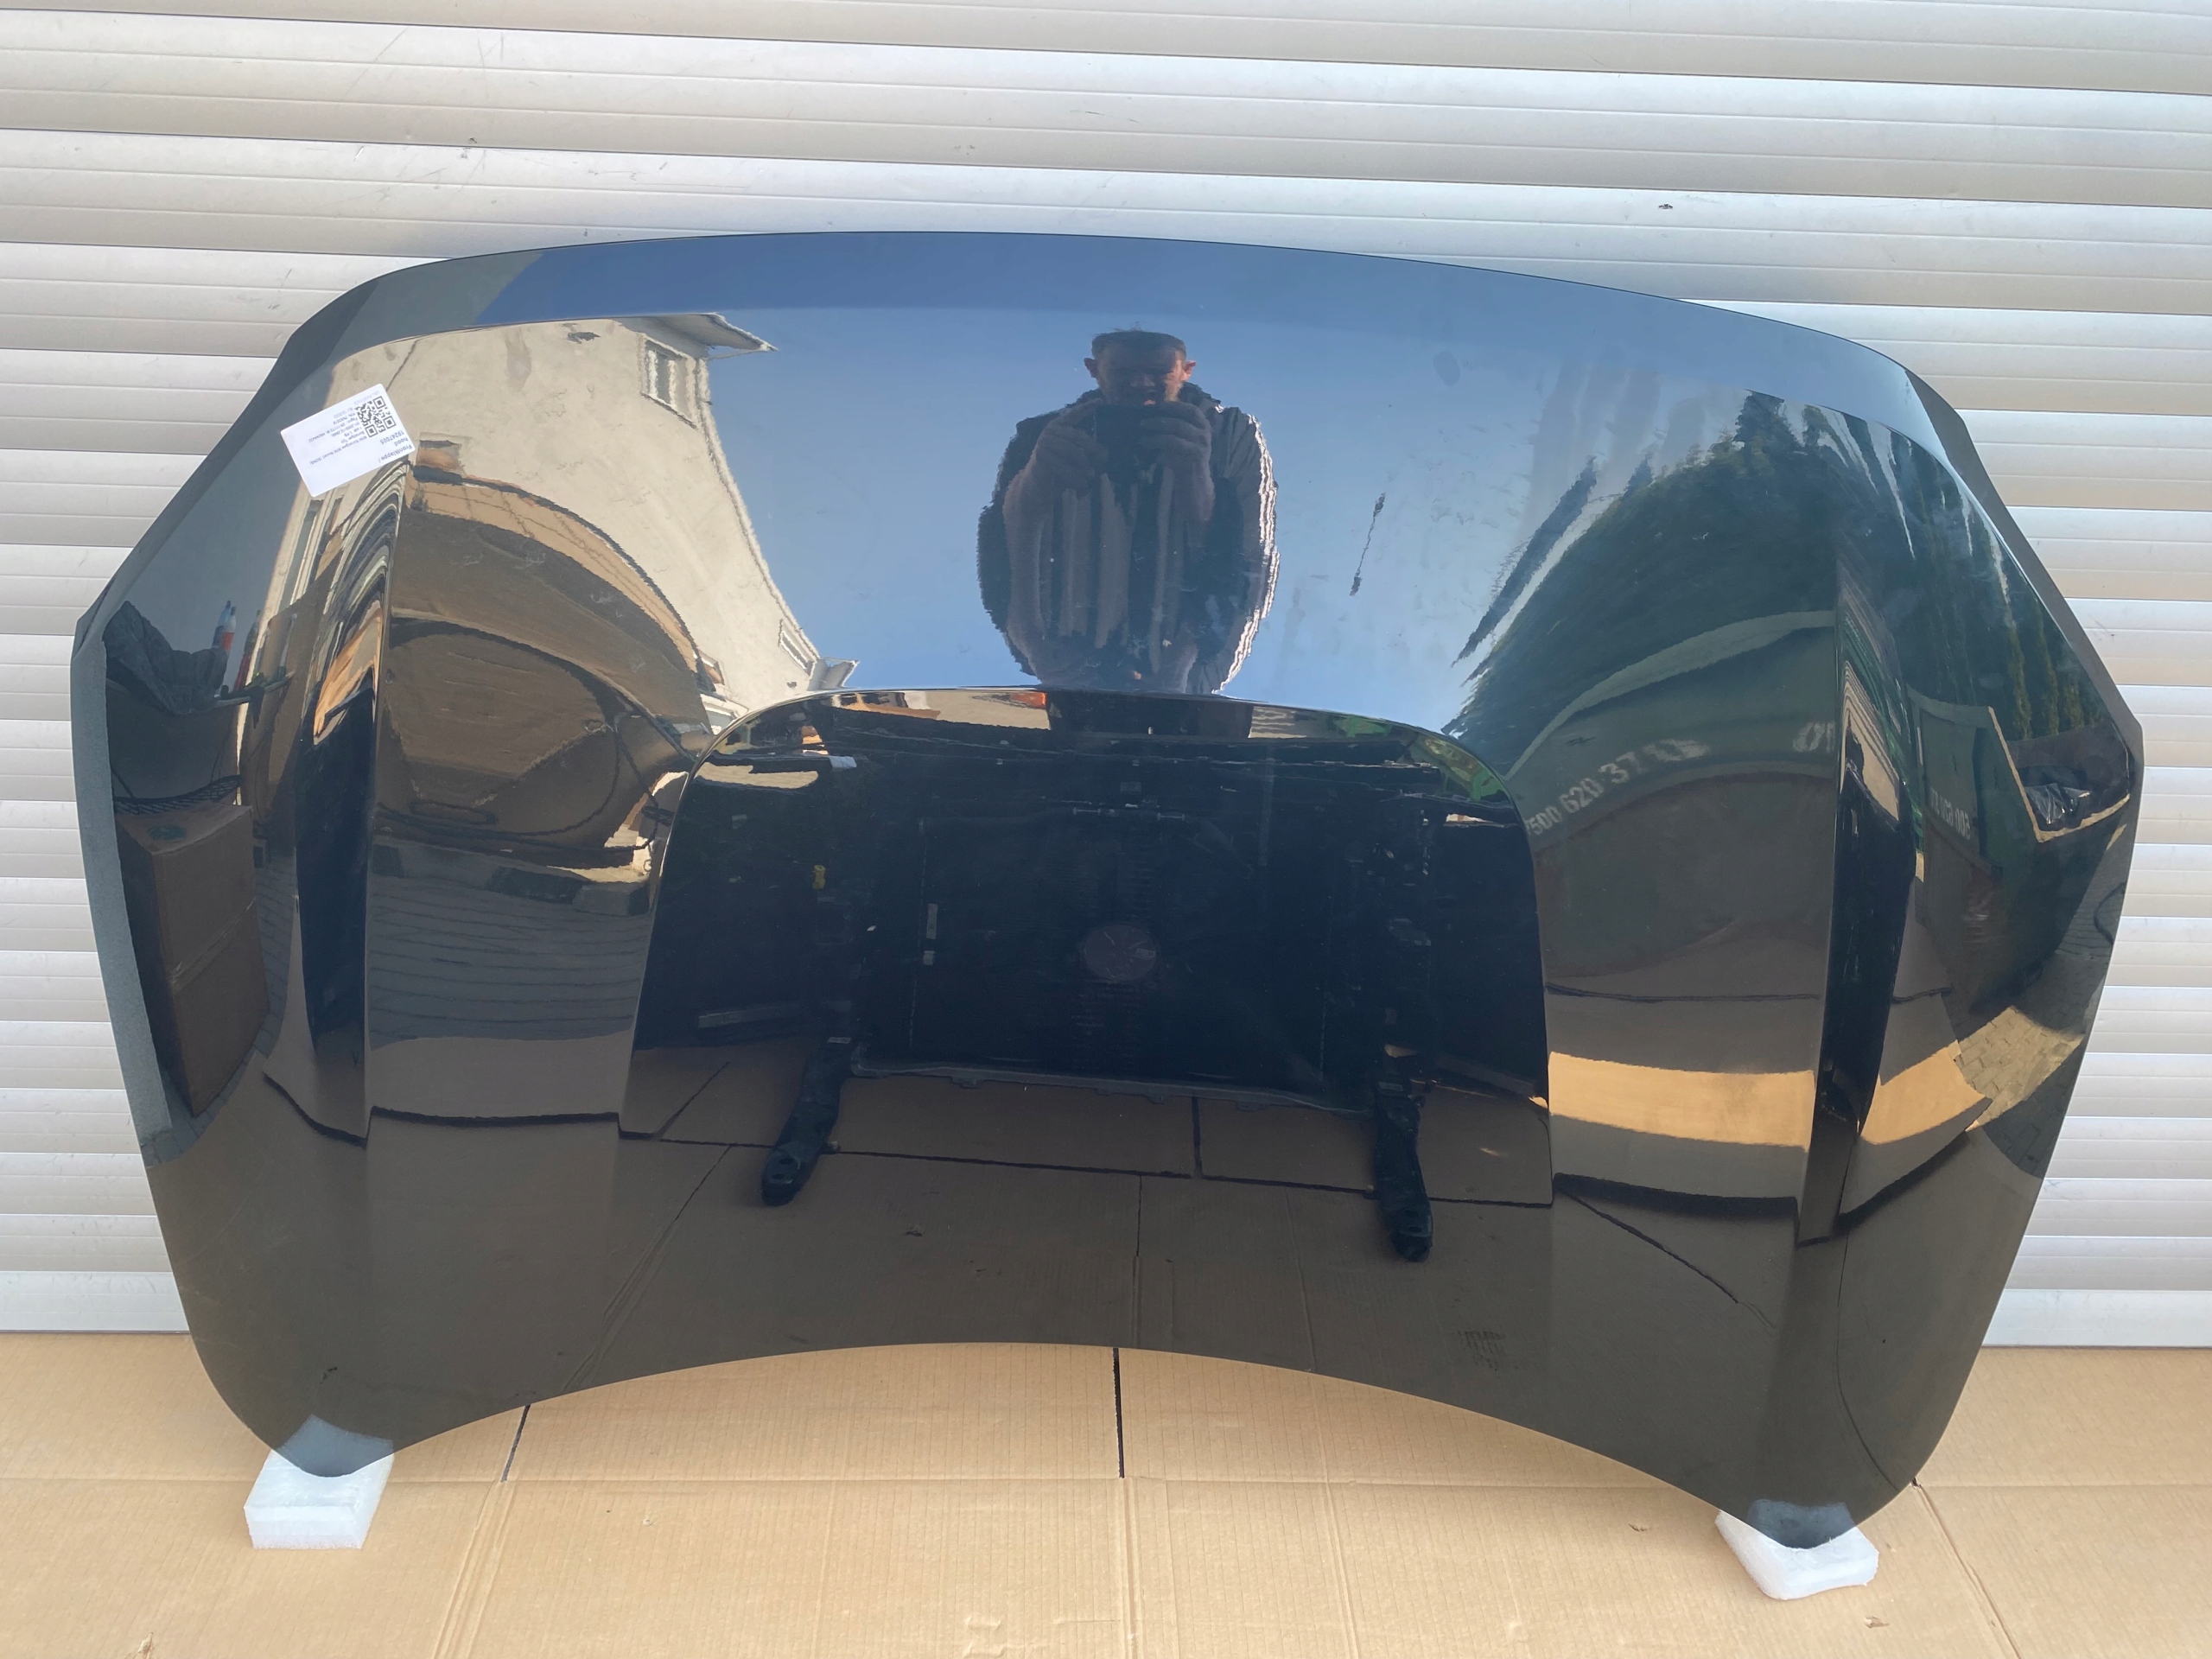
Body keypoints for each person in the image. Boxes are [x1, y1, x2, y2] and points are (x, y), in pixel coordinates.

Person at [978, 330, 1275, 694]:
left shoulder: (1229, 433)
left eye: (1159, 371)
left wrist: (1197, 477)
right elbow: (996, 551)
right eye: (1123, 372)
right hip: (1073, 667)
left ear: (1187, 371)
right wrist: (1033, 647)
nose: (1141, 384)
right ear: (1093, 369)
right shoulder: (1045, 436)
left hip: (1183, 673)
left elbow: (1253, 559)